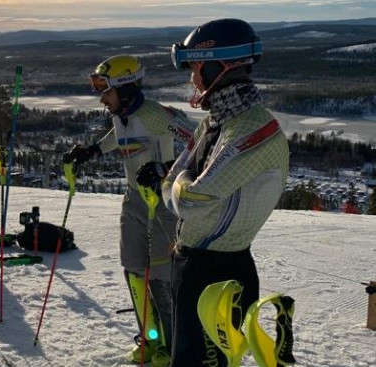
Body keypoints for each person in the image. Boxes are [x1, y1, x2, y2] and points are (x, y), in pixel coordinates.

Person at [135, 18, 289, 366]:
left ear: (219, 66)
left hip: (219, 272)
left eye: (196, 68)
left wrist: (176, 185)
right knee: (184, 357)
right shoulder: (216, 122)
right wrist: (177, 183)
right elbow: (177, 180)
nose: (192, 78)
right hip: (192, 265)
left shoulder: (255, 131)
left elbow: (188, 200)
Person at [63, 54, 195, 366]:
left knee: (161, 276)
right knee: (134, 270)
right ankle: (150, 338)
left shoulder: (155, 115)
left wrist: (165, 168)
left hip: (163, 203)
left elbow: (197, 141)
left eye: (105, 90)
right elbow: (119, 137)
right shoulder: (121, 115)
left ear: (124, 88)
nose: (101, 97)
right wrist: (93, 150)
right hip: (135, 198)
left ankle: (172, 346)